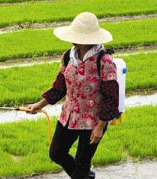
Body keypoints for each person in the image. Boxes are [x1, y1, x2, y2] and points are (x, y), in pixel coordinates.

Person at [27, 12, 119, 179]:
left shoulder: (104, 61)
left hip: (92, 120)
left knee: (82, 164)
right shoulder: (68, 56)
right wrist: (38, 105)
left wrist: (100, 126)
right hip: (69, 116)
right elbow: (60, 86)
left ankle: (83, 175)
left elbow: (111, 96)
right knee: (56, 152)